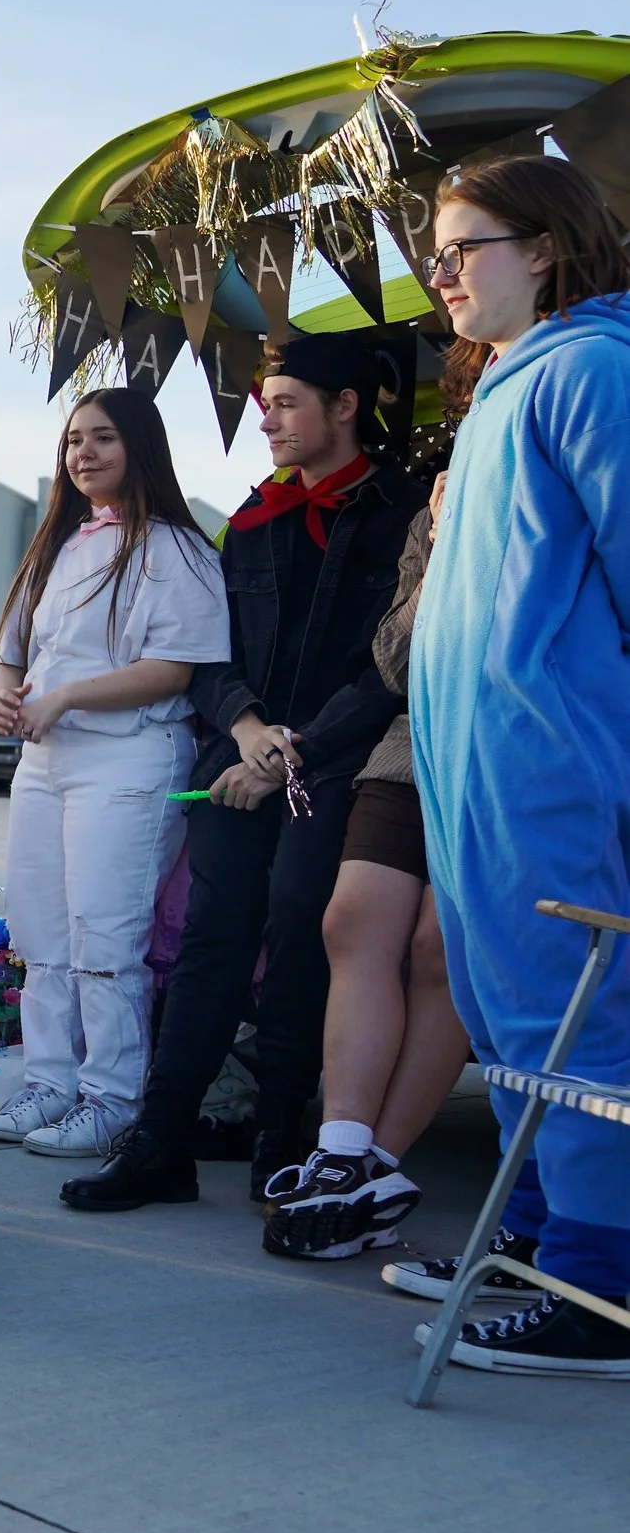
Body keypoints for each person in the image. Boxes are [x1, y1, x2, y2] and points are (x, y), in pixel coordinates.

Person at [63, 332, 425, 1212]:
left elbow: (391, 667)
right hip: (242, 753)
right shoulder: (254, 518)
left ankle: (279, 1135)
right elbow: (207, 652)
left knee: (304, 917)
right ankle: (161, 1139)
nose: (266, 417)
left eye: (287, 401)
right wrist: (251, 730)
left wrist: (292, 753)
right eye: (264, 401)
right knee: (210, 938)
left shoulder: (405, 512)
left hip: (337, 762)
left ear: (346, 407)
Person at [406, 154, 630, 1377]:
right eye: (432, 254)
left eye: (461, 247)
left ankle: (597, 1289)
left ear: (542, 247)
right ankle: (528, 1240)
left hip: (546, 751)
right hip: (467, 752)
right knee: (498, 1006)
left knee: (569, 1009)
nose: (438, 273)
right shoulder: (499, 387)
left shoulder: (592, 369)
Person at [0, 388, 226, 1158]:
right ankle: (49, 1081)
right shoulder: (59, 544)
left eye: (103, 438)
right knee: (43, 932)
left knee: (105, 935)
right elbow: (13, 651)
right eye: (74, 440)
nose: (83, 453)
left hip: (128, 760)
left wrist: (70, 697)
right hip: (47, 762)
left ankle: (112, 1098)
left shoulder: (178, 548)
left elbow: (177, 670)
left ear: (140, 446)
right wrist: (4, 690)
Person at [259, 471, 468, 1259]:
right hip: (412, 745)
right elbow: (396, 658)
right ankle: (340, 1148)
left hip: (508, 749)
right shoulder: (437, 511)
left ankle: (375, 1173)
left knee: (437, 951)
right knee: (351, 922)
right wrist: (446, 548)